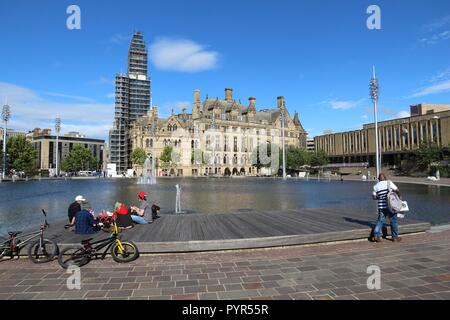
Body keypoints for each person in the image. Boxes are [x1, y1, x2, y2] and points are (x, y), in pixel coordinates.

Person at [372, 173, 402, 243]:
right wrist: (399, 197)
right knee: (393, 221)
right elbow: (397, 190)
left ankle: (376, 236)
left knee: (380, 221)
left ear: (378, 179)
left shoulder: (375, 186)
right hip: (391, 206)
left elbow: (373, 197)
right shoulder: (389, 182)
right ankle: (394, 237)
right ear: (385, 178)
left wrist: (379, 197)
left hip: (381, 206)